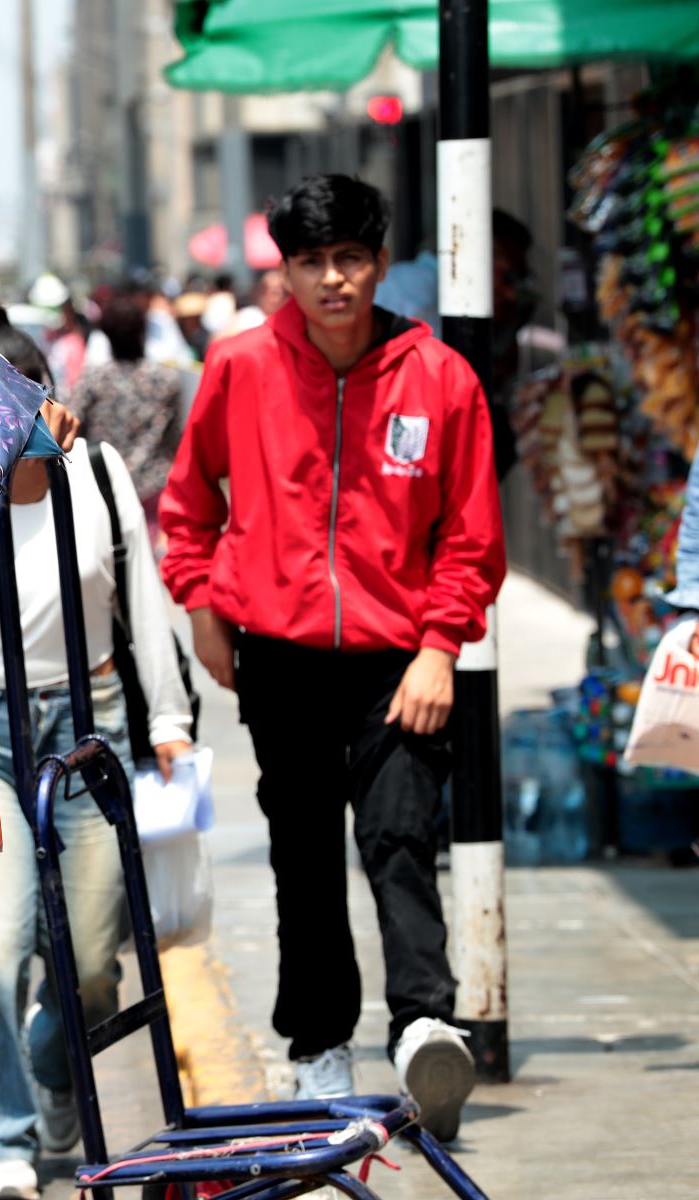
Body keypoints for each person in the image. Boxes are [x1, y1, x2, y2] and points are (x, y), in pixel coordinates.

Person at [160, 174, 505, 1141]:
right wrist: (202, 607)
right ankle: (319, 1046)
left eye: (350, 258)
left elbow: (472, 536)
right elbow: (189, 507)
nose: (333, 281)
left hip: (402, 662)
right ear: (288, 272)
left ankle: (427, 1027)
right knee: (303, 855)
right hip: (280, 660)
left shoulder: (438, 378)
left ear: (380, 264)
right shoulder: (239, 368)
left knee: (399, 841)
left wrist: (442, 646)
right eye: (311, 262)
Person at [0, 284, 194, 1200]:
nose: (9, 425)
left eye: (25, 398)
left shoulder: (96, 478)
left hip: (87, 724)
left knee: (84, 961)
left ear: (52, 398)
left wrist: (170, 724)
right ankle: (5, 1135)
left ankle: (60, 1064)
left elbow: (141, 601)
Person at [68, 296, 187, 527]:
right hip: (154, 486)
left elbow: (72, 427)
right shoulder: (166, 379)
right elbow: (176, 438)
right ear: (143, 330)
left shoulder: (93, 379)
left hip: (102, 483)